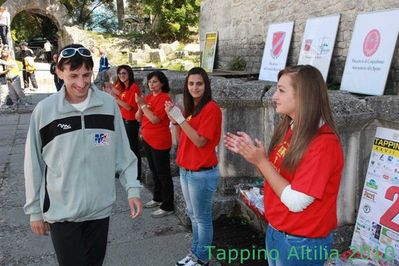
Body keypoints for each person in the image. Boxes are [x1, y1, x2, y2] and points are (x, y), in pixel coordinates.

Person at [24, 44, 142, 266]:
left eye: (86, 75)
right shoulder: (45, 110)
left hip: (99, 210)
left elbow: (123, 152)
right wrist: (34, 211)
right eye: (73, 75)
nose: (81, 82)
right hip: (62, 212)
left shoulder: (107, 105)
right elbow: (33, 163)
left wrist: (132, 189)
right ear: (59, 72)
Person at [224, 65, 344, 266]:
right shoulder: (293, 128)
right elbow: (279, 176)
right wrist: (255, 157)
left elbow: (296, 201)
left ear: (303, 96)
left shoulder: (323, 144)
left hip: (301, 242)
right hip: (279, 232)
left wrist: (261, 161)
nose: (273, 96)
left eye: (281, 90)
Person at [165, 67, 222, 266]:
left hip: (202, 173)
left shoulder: (211, 109)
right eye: (191, 83)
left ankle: (202, 258)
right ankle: (195, 253)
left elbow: (199, 141)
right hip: (186, 170)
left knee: (202, 218)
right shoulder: (192, 109)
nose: (195, 87)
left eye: (199, 83)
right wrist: (174, 122)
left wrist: (180, 119)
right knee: (193, 215)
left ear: (206, 86)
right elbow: (177, 142)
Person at [135, 71, 174, 218]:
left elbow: (155, 119)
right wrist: (140, 106)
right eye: (150, 82)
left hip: (160, 141)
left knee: (163, 173)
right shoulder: (148, 97)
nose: (152, 84)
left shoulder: (165, 98)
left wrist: (144, 106)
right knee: (154, 170)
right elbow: (138, 117)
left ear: (162, 83)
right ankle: (158, 198)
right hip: (148, 139)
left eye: (155, 82)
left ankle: (167, 205)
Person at [111, 65, 142, 181]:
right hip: (123, 119)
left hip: (131, 121)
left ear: (129, 74)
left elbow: (129, 107)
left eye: (124, 73)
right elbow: (114, 91)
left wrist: (116, 99)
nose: (121, 76)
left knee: (133, 149)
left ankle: (137, 174)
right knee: (123, 147)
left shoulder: (134, 88)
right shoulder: (123, 87)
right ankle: (124, 171)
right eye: (119, 74)